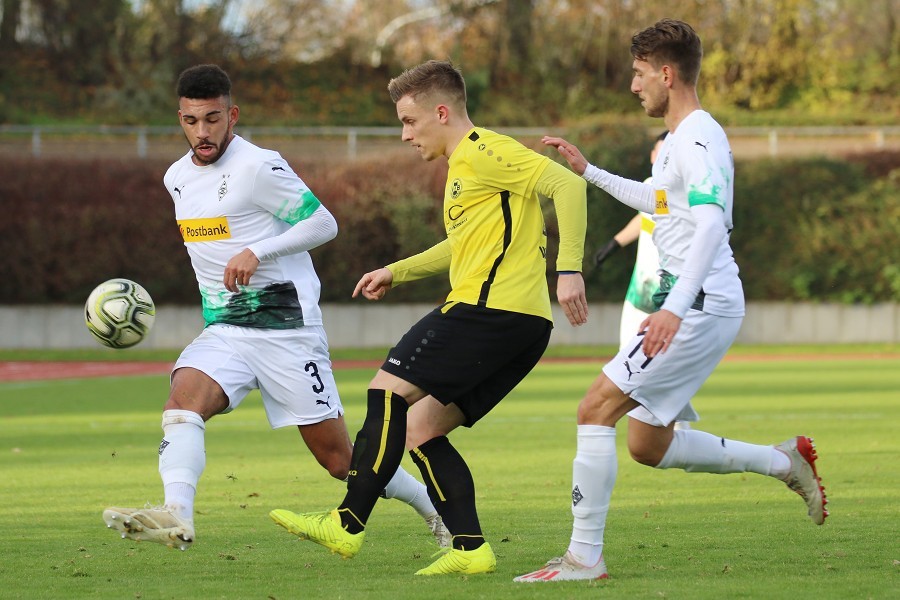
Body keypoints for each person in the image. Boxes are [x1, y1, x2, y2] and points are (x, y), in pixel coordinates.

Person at [514, 20, 827, 583]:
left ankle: (584, 558)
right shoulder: (679, 141)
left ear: (665, 73)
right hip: (698, 301)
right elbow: (659, 203)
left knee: (594, 410)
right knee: (647, 443)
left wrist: (675, 307)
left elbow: (709, 227)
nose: (633, 86)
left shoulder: (699, 137)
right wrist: (589, 172)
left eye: (638, 74)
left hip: (700, 303)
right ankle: (785, 461)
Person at [102, 64, 449, 551]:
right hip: (226, 330)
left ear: (233, 114)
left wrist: (259, 252)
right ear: (178, 118)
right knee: (182, 403)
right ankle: (177, 514)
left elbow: (324, 223)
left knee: (339, 460)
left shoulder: (258, 166)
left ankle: (436, 511)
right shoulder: (176, 177)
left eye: (213, 119)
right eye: (191, 120)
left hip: (288, 331)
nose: (202, 132)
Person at [268, 59, 589, 576]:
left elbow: (569, 186)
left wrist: (568, 269)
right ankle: (470, 548)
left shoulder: (486, 151)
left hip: (488, 310)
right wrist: (397, 271)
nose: (403, 135)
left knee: (386, 392)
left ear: (441, 112)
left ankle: (347, 522)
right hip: (519, 323)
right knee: (419, 430)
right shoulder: (464, 170)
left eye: (409, 121)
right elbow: (460, 246)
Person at [594, 131, 667, 350]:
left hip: (665, 292)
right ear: (652, 155)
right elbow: (644, 218)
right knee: (626, 355)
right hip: (639, 290)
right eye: (659, 152)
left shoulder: (676, 192)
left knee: (653, 362)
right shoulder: (649, 185)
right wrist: (615, 243)